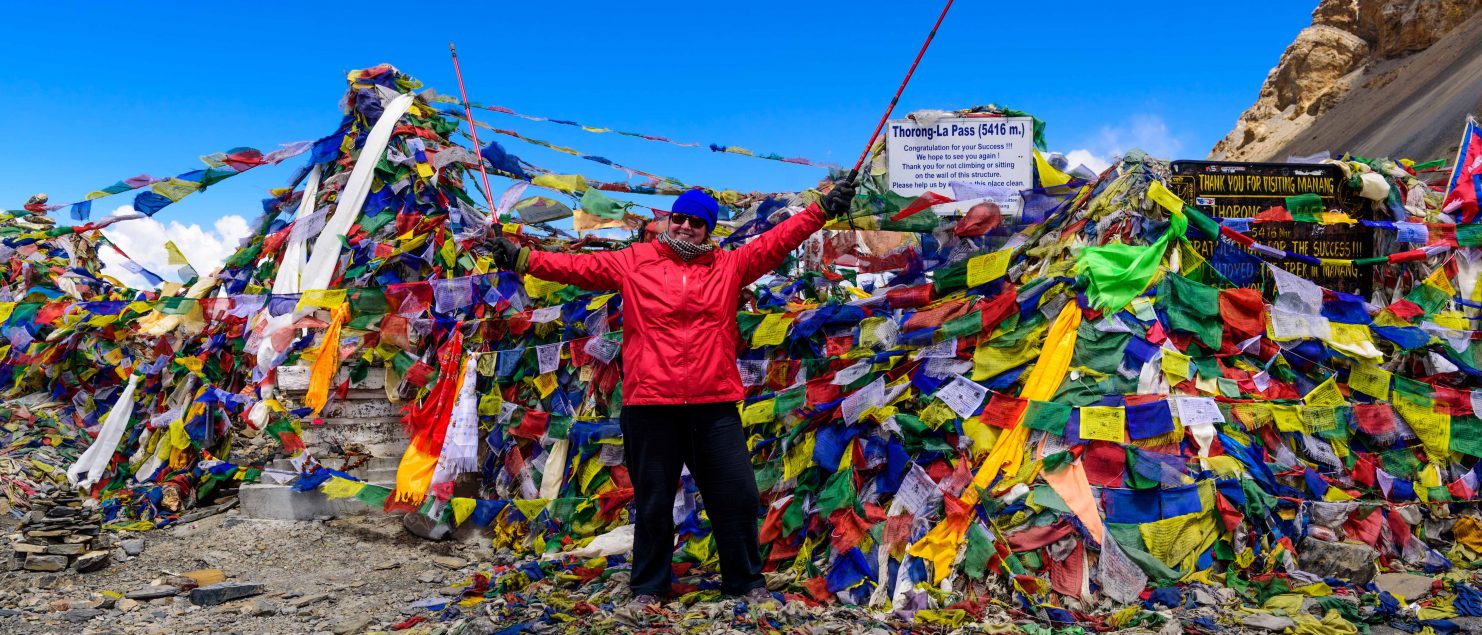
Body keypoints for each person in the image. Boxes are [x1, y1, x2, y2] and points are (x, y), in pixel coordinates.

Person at [489, 184, 855, 606]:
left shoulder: (731, 265)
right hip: (650, 405)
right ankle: (648, 587)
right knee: (654, 501)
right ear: (668, 220)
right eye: (679, 218)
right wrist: (522, 257)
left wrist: (822, 209)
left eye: (697, 222)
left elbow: (777, 241)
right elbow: (576, 268)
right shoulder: (634, 261)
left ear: (709, 229)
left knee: (736, 496)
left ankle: (744, 582)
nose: (686, 226)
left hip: (713, 405)